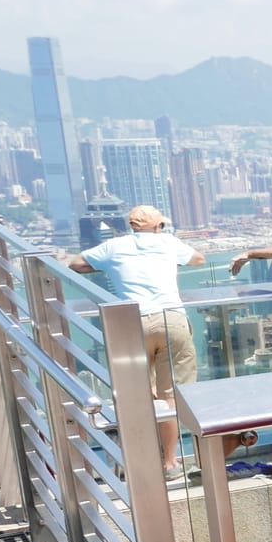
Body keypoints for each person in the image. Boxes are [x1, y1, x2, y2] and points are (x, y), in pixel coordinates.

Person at [66, 205, 205, 482]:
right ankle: (169, 462)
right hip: (171, 320)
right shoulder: (167, 242)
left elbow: (75, 263)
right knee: (169, 397)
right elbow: (198, 260)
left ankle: (140, 459)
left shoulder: (114, 247)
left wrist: (107, 266)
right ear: (158, 226)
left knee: (138, 393)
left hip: (132, 323)